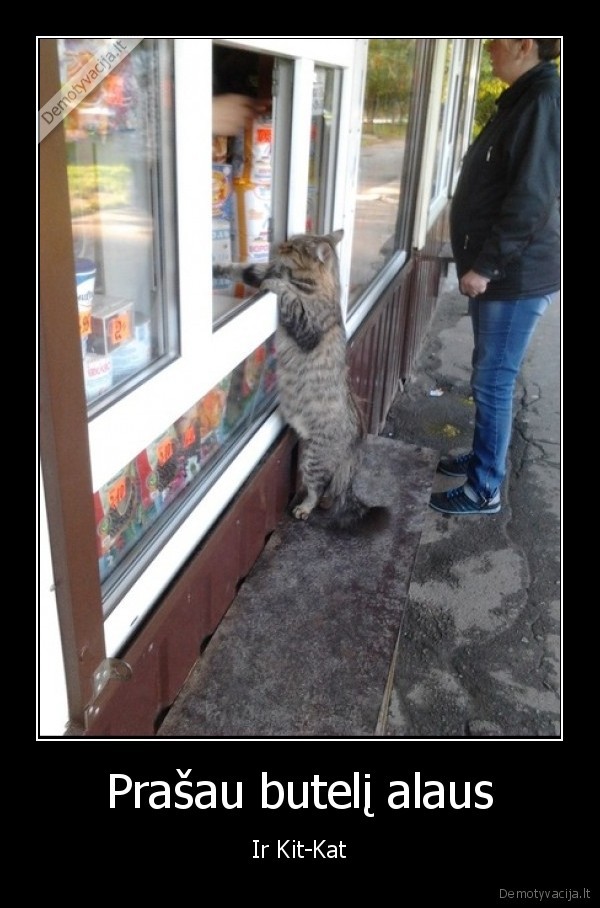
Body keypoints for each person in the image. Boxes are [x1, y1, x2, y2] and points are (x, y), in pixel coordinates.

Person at [429, 38, 560, 516]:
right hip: (503, 273)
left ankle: (485, 487)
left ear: (525, 44)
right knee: (490, 374)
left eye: (497, 39)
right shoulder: (527, 96)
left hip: (512, 276)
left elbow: (531, 199)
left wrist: (485, 266)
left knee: (493, 380)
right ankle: (485, 457)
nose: (487, 46)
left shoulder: (544, 99)